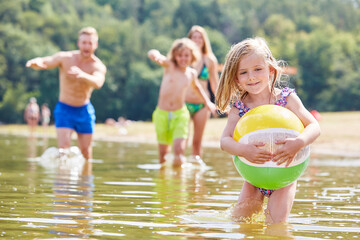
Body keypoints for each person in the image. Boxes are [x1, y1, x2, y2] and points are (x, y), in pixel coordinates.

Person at [215, 37, 320, 223]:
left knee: (276, 226)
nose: (252, 77)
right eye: (244, 72)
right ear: (236, 78)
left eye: (258, 69)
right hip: (253, 177)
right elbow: (225, 141)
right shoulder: (239, 108)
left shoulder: (287, 99)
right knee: (241, 226)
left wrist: (299, 142)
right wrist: (243, 150)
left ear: (270, 70)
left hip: (285, 177)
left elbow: (314, 126)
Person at [26, 27, 106, 161]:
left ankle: (86, 180)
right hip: (65, 109)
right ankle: (63, 181)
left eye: (90, 43)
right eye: (84, 42)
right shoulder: (65, 58)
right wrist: (37, 62)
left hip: (84, 110)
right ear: (78, 43)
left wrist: (82, 75)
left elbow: (98, 82)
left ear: (95, 45)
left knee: (86, 152)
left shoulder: (97, 66)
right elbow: (47, 61)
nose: (87, 46)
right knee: (63, 149)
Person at [148, 38, 216, 167]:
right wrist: (154, 54)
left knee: (179, 152)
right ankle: (165, 182)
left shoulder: (191, 73)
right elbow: (156, 54)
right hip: (162, 114)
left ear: (192, 57)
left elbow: (197, 88)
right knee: (163, 155)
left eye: (186, 56)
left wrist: (208, 102)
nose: (183, 59)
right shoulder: (170, 66)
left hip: (180, 115)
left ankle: (179, 183)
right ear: (175, 56)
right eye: (180, 56)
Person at [186, 25, 219, 161]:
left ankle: (196, 176)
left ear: (204, 40)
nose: (197, 40)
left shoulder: (210, 60)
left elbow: (214, 84)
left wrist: (221, 104)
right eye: (194, 37)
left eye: (200, 37)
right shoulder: (184, 57)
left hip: (202, 105)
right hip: (184, 103)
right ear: (189, 39)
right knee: (182, 140)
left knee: (197, 142)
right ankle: (179, 174)